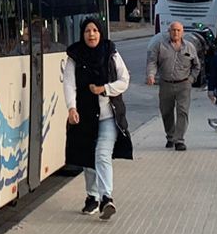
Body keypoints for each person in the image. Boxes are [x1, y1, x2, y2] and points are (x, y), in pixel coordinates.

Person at [63, 19, 131, 220]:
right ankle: (91, 196)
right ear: (82, 34)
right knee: (88, 158)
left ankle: (106, 198)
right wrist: (71, 108)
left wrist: (105, 89)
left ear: (100, 33)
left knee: (102, 155)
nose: (91, 34)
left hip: (109, 115)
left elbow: (124, 80)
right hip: (85, 115)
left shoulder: (111, 52)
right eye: (87, 31)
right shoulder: (74, 56)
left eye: (94, 30)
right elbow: (69, 84)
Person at [144, 19, 202, 150]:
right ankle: (170, 136)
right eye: (173, 30)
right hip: (166, 84)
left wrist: (191, 79)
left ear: (182, 32)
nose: (175, 32)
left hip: (184, 85)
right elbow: (152, 62)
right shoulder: (160, 46)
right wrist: (151, 75)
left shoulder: (189, 47)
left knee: (182, 111)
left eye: (178, 30)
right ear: (169, 32)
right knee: (166, 111)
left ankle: (179, 140)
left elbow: (197, 66)